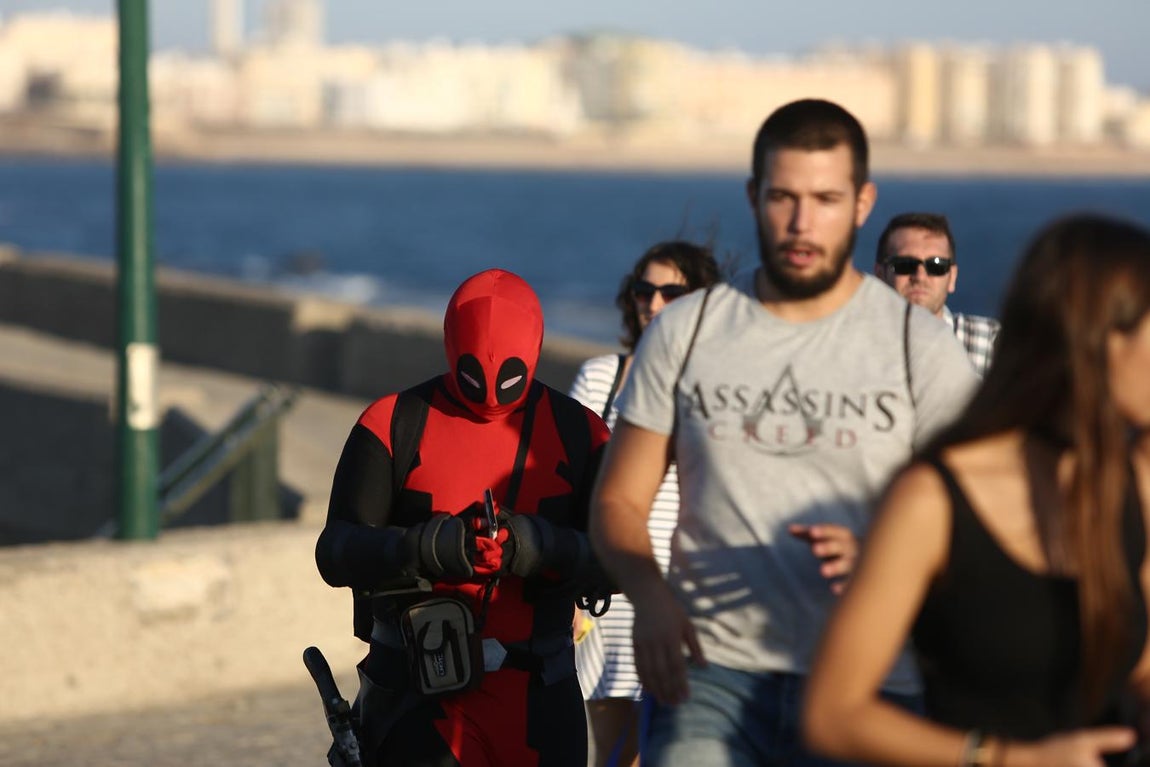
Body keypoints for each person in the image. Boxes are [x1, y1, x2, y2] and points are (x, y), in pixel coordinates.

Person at [589, 98, 979, 766]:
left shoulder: (921, 349)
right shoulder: (687, 332)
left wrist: (888, 561)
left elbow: (980, 522)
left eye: (826, 198)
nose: (802, 222)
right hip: (710, 673)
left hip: (870, 680)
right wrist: (648, 595)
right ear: (753, 196)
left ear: (862, 203)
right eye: (783, 197)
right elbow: (618, 500)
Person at [803, 213, 1150, 767]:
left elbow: (1137, 658)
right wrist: (1013, 759)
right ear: (1102, 338)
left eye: (936, 265)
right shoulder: (934, 499)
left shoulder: (1131, 485)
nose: (922, 276)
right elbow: (832, 715)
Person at [315, 268, 612, 767]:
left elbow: (622, 561)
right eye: (476, 376)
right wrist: (425, 548)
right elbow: (336, 551)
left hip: (538, 696)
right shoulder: (393, 422)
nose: (492, 396)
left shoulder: (580, 434)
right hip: (418, 691)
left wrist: (538, 548)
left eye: (507, 380)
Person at [570, 240, 721, 767]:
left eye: (671, 291)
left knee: (653, 750)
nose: (653, 303)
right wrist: (566, 587)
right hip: (605, 593)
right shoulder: (601, 376)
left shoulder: (717, 386)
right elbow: (570, 485)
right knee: (610, 751)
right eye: (643, 290)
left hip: (680, 594)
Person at [874, 212, 1000, 375]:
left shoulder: (992, 343)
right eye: (905, 264)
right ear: (880, 275)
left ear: (952, 277)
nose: (920, 276)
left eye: (936, 265)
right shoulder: (854, 345)